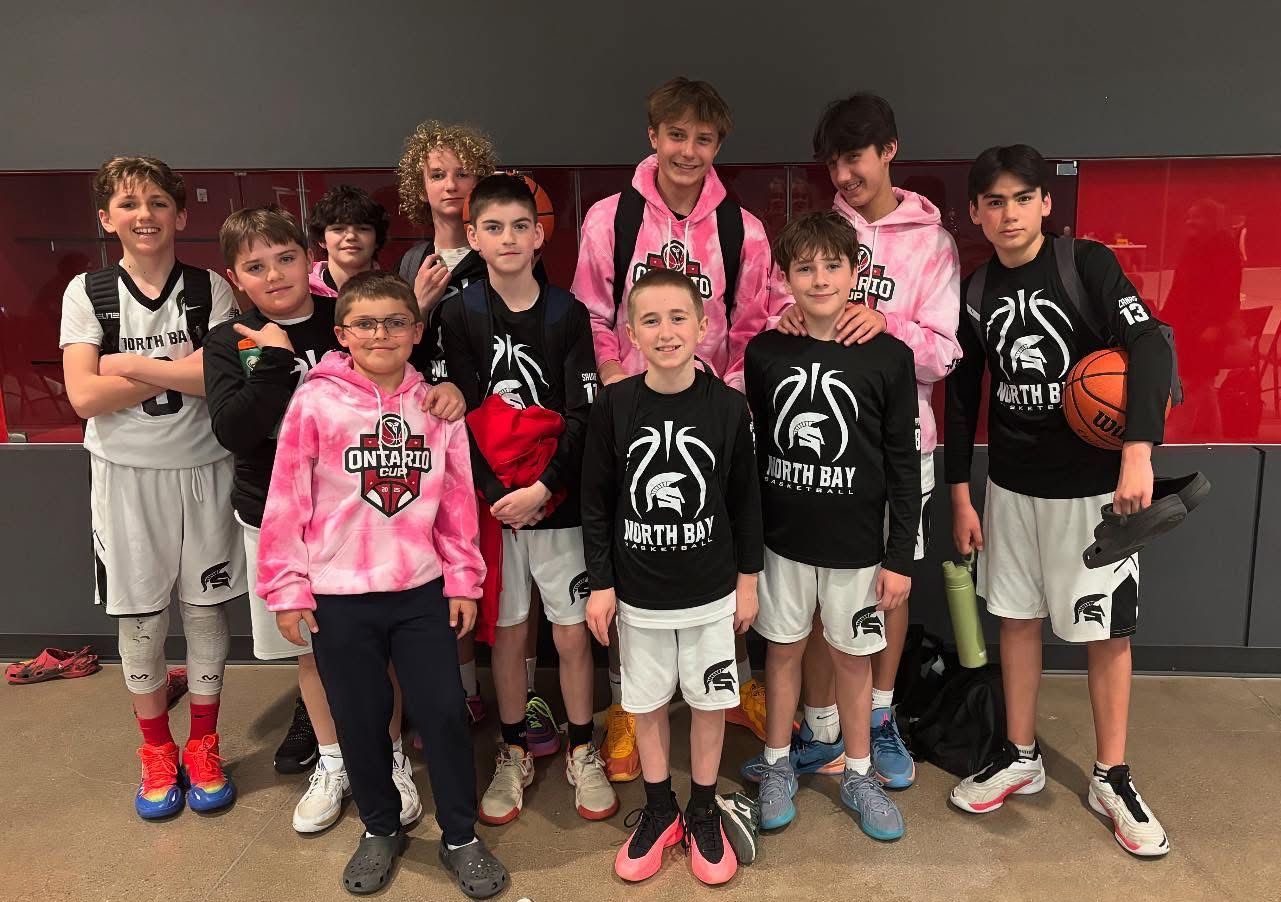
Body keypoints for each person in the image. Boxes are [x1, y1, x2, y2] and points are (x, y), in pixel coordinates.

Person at [945, 145, 1172, 857]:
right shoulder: (976, 291)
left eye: (1020, 198)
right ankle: (1019, 755)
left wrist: (1136, 450)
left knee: (1105, 633)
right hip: (1010, 490)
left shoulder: (1088, 265)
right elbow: (957, 401)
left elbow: (1151, 349)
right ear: (975, 214)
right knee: (1014, 621)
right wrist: (960, 492)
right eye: (992, 202)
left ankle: (1111, 776)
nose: (1006, 214)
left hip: (1092, 493)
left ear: (1045, 203)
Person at [257, 271, 509, 896]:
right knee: (360, 717)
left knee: (445, 713)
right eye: (365, 323)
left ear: (416, 331)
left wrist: (463, 582)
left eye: (395, 322)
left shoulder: (437, 407)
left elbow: (455, 504)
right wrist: (288, 589)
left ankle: (460, 835)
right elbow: (287, 499)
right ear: (342, 334)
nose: (381, 334)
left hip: (420, 590)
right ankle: (378, 827)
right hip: (337, 597)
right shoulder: (315, 403)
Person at [572, 76, 776, 779]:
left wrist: (729, 400)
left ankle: (735, 680)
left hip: (709, 411)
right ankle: (632, 707)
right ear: (652, 136)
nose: (688, 150)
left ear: (718, 144)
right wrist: (617, 388)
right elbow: (593, 315)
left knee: (713, 536)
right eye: (676, 135)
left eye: (703, 138)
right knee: (642, 548)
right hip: (634, 410)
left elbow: (752, 323)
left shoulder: (740, 229)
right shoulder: (609, 220)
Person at [204, 205, 424, 833]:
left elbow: (402, 390)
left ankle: (387, 756)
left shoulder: (345, 322)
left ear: (310, 259)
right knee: (310, 651)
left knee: (379, 650)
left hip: (363, 515)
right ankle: (334, 760)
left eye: (286, 258)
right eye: (256, 266)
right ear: (235, 277)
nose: (274, 274)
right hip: (277, 521)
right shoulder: (230, 340)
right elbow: (234, 430)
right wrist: (272, 361)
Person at [775, 93, 961, 789]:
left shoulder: (931, 243)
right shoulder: (819, 232)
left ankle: (879, 718)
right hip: (819, 447)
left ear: (888, 149)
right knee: (823, 585)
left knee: (890, 579)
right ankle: (821, 727)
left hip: (898, 442)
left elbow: (942, 357)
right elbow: (778, 311)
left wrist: (885, 325)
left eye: (853, 157)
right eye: (831, 161)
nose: (842, 174)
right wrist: (792, 318)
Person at [59, 156, 244, 819]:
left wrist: (132, 365)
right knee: (140, 616)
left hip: (203, 469)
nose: (146, 215)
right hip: (125, 475)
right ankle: (155, 751)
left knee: (204, 611)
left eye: (159, 203)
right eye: (130, 204)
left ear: (181, 214)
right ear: (107, 218)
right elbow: (83, 396)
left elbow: (218, 380)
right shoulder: (88, 292)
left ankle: (203, 744)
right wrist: (179, 368)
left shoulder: (209, 289)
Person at [439, 174, 616, 825]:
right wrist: (496, 495)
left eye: (520, 226)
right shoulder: (459, 315)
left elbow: (581, 415)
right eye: (493, 227)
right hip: (494, 511)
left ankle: (579, 746)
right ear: (472, 236)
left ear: (538, 234)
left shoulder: (566, 313)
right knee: (508, 635)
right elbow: (454, 412)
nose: (508, 238)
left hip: (558, 503)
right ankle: (512, 750)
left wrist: (545, 488)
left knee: (571, 638)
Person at [583, 268, 762, 885]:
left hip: (711, 592)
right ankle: (660, 810)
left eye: (678, 318)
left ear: (704, 326)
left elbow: (745, 502)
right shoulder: (613, 405)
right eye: (650, 321)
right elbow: (597, 503)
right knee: (649, 704)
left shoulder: (729, 407)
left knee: (710, 705)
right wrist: (601, 582)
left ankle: (704, 806)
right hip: (639, 596)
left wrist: (748, 578)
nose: (665, 332)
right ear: (630, 333)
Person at [744, 211, 919, 840]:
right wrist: (747, 553)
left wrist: (899, 557)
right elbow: (752, 454)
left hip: (856, 550)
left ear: (856, 271)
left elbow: (903, 465)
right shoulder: (765, 351)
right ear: (785, 277)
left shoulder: (889, 357)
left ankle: (860, 772)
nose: (819, 279)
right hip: (782, 545)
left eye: (832, 265)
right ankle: (775, 766)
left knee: (854, 661)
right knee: (783, 654)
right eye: (804, 267)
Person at [395, 119, 550, 733]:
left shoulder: (509, 253)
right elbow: (388, 350)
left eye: (463, 173)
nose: (452, 185)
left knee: (517, 582)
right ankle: (462, 692)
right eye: (438, 175)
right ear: (420, 186)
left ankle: (527, 693)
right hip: (433, 432)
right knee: (448, 565)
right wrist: (421, 302)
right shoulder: (413, 261)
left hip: (501, 436)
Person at [306, 185, 389, 297]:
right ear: (321, 239)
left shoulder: (394, 293)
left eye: (362, 229)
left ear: (377, 239)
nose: (351, 236)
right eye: (338, 229)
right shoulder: (301, 292)